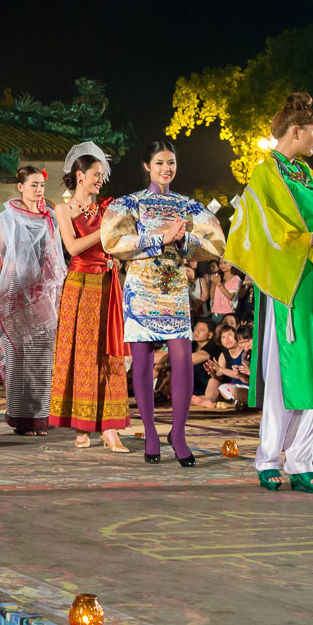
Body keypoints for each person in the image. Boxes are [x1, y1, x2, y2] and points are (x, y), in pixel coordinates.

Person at [224, 92, 313, 493]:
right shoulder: (265, 174)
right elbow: (264, 232)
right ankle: (268, 458)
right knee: (286, 377)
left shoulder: (307, 174)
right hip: (289, 288)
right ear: (296, 130)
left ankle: (302, 460)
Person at [102, 141, 225, 466]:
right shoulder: (129, 203)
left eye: (171, 163)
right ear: (147, 166)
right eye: (159, 163)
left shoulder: (189, 206)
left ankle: (179, 433)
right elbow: (113, 242)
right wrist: (160, 238)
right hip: (141, 288)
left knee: (182, 359)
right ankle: (152, 434)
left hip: (173, 288)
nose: (166, 169)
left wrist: (185, 239)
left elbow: (217, 243)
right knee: (142, 364)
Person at [48, 142, 130, 450]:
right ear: (80, 176)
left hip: (108, 284)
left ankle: (110, 428)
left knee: (110, 354)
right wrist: (106, 231)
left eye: (102, 176)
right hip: (80, 285)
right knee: (79, 355)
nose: (100, 181)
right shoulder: (63, 209)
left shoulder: (108, 207)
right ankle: (81, 425)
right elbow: (72, 248)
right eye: (96, 175)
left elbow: (119, 242)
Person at [0, 166, 66, 436]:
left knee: (42, 358)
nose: (39, 189)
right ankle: (19, 416)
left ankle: (40, 417)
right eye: (33, 184)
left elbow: (56, 258)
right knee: (18, 357)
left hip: (42, 292)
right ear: (20, 187)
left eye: (41, 185)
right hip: (16, 291)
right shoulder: (5, 220)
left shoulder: (50, 218)